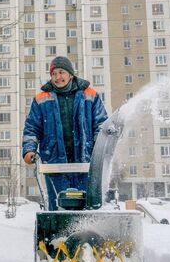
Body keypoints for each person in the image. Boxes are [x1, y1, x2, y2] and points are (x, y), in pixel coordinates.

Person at [22, 56, 108, 210]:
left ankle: (86, 233)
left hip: (85, 161)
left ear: (70, 74)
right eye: (54, 74)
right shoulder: (41, 98)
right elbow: (32, 127)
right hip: (55, 162)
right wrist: (29, 150)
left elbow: (100, 125)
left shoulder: (90, 94)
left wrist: (100, 149)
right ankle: (57, 234)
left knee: (86, 205)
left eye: (61, 72)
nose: (57, 77)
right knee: (58, 206)